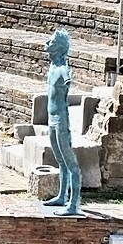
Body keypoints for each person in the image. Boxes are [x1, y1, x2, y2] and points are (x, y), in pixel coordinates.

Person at [42, 28, 81, 215]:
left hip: (61, 121)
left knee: (70, 163)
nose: (46, 44)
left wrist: (68, 79)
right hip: (51, 118)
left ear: (58, 47)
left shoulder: (64, 69)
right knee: (60, 160)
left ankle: (73, 204)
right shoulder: (52, 67)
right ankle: (61, 196)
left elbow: (68, 80)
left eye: (50, 42)